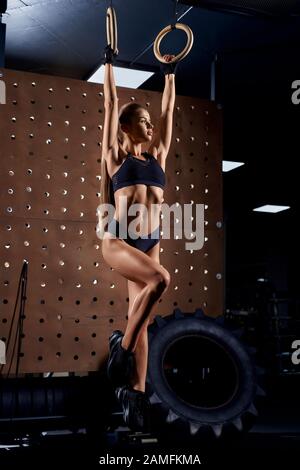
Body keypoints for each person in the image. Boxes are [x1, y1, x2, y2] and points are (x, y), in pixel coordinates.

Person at [99, 44, 177, 431]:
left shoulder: (158, 157)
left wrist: (170, 72)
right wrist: (110, 62)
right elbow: (111, 103)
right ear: (127, 128)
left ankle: (135, 397)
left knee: (141, 319)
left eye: (150, 121)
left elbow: (168, 110)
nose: (151, 125)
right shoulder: (115, 156)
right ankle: (122, 347)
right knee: (160, 280)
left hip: (150, 243)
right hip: (119, 243)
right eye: (143, 121)